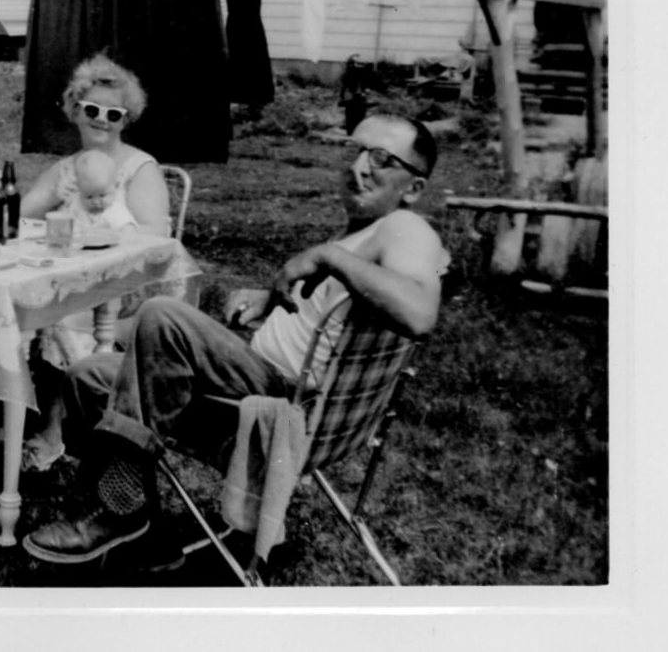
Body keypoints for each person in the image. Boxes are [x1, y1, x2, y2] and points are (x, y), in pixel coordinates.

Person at [23, 113, 449, 566]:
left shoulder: (406, 229)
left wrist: (326, 255)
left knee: (163, 316)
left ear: (414, 187)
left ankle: (114, 508)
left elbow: (420, 314)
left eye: (381, 159)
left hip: (281, 406)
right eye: (355, 150)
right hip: (251, 389)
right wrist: (272, 298)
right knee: (88, 376)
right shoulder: (365, 231)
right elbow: (332, 308)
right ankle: (145, 530)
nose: (359, 167)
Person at [18, 54, 170, 472]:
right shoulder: (66, 169)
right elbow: (20, 217)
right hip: (69, 283)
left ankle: (52, 429)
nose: (101, 120)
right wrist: (54, 196)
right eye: (91, 110)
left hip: (128, 293)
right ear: (74, 111)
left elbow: (156, 243)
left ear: (126, 119)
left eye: (113, 114)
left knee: (58, 318)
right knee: (14, 307)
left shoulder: (139, 169)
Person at [65, 149, 139, 234]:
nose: (96, 202)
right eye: (89, 197)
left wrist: (124, 234)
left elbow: (129, 231)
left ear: (115, 187)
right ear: (79, 189)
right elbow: (65, 223)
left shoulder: (115, 211)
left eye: (102, 195)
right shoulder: (76, 206)